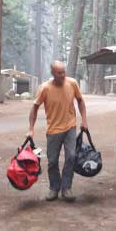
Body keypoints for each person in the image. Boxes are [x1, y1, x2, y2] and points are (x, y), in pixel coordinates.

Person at [27, 61, 89, 202]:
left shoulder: (72, 83)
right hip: (53, 130)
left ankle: (66, 188)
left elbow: (80, 100)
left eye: (64, 72)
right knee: (52, 161)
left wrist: (84, 120)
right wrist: (31, 128)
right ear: (53, 74)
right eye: (59, 73)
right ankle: (54, 188)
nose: (63, 75)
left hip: (70, 127)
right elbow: (34, 107)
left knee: (71, 157)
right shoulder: (45, 88)